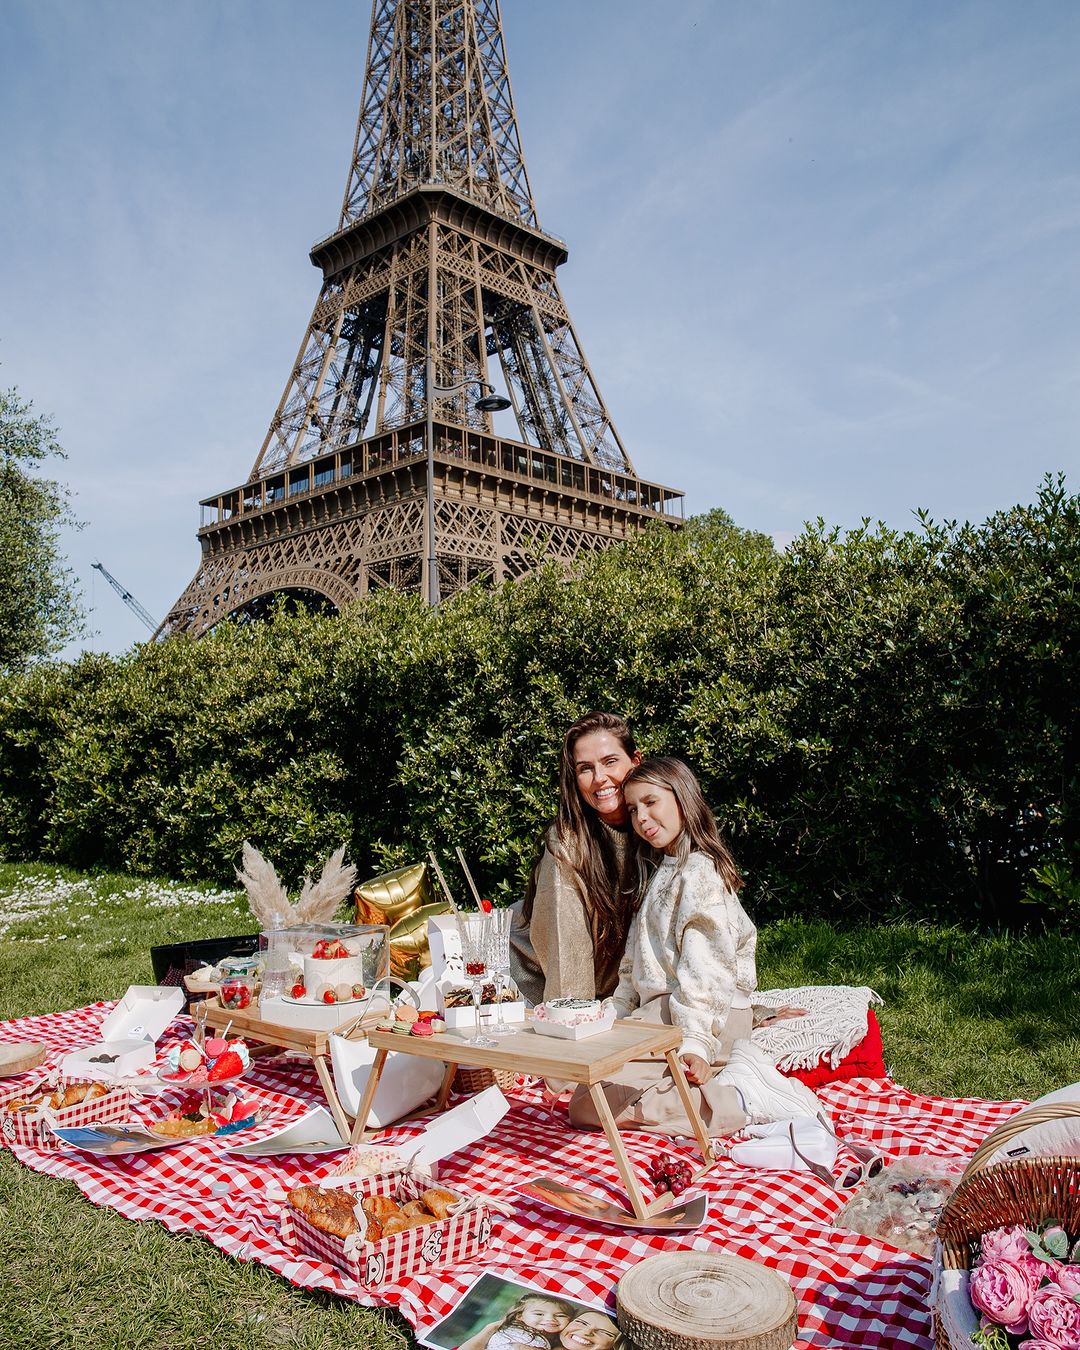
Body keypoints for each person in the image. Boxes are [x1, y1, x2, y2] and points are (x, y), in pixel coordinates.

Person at [569, 756, 822, 1138]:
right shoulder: (661, 871)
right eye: (634, 808)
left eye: (651, 802)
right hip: (660, 1015)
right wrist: (611, 1020)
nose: (641, 817)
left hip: (697, 1017)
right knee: (587, 1098)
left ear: (683, 798)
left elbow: (708, 972)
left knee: (590, 1106)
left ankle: (741, 1100)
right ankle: (723, 1092)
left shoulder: (700, 872)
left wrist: (697, 1043)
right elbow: (634, 965)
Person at [510, 711, 640, 1007]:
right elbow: (566, 962)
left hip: (613, 993)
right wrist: (575, 1020)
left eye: (610, 762)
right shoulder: (567, 846)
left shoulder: (656, 826)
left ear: (636, 761)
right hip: (534, 979)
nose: (599, 779)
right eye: (585, 768)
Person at [458, 1303, 620, 1350]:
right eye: (581, 1322)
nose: (587, 1331)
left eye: (604, 1332)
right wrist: (491, 1329)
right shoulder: (528, 1339)